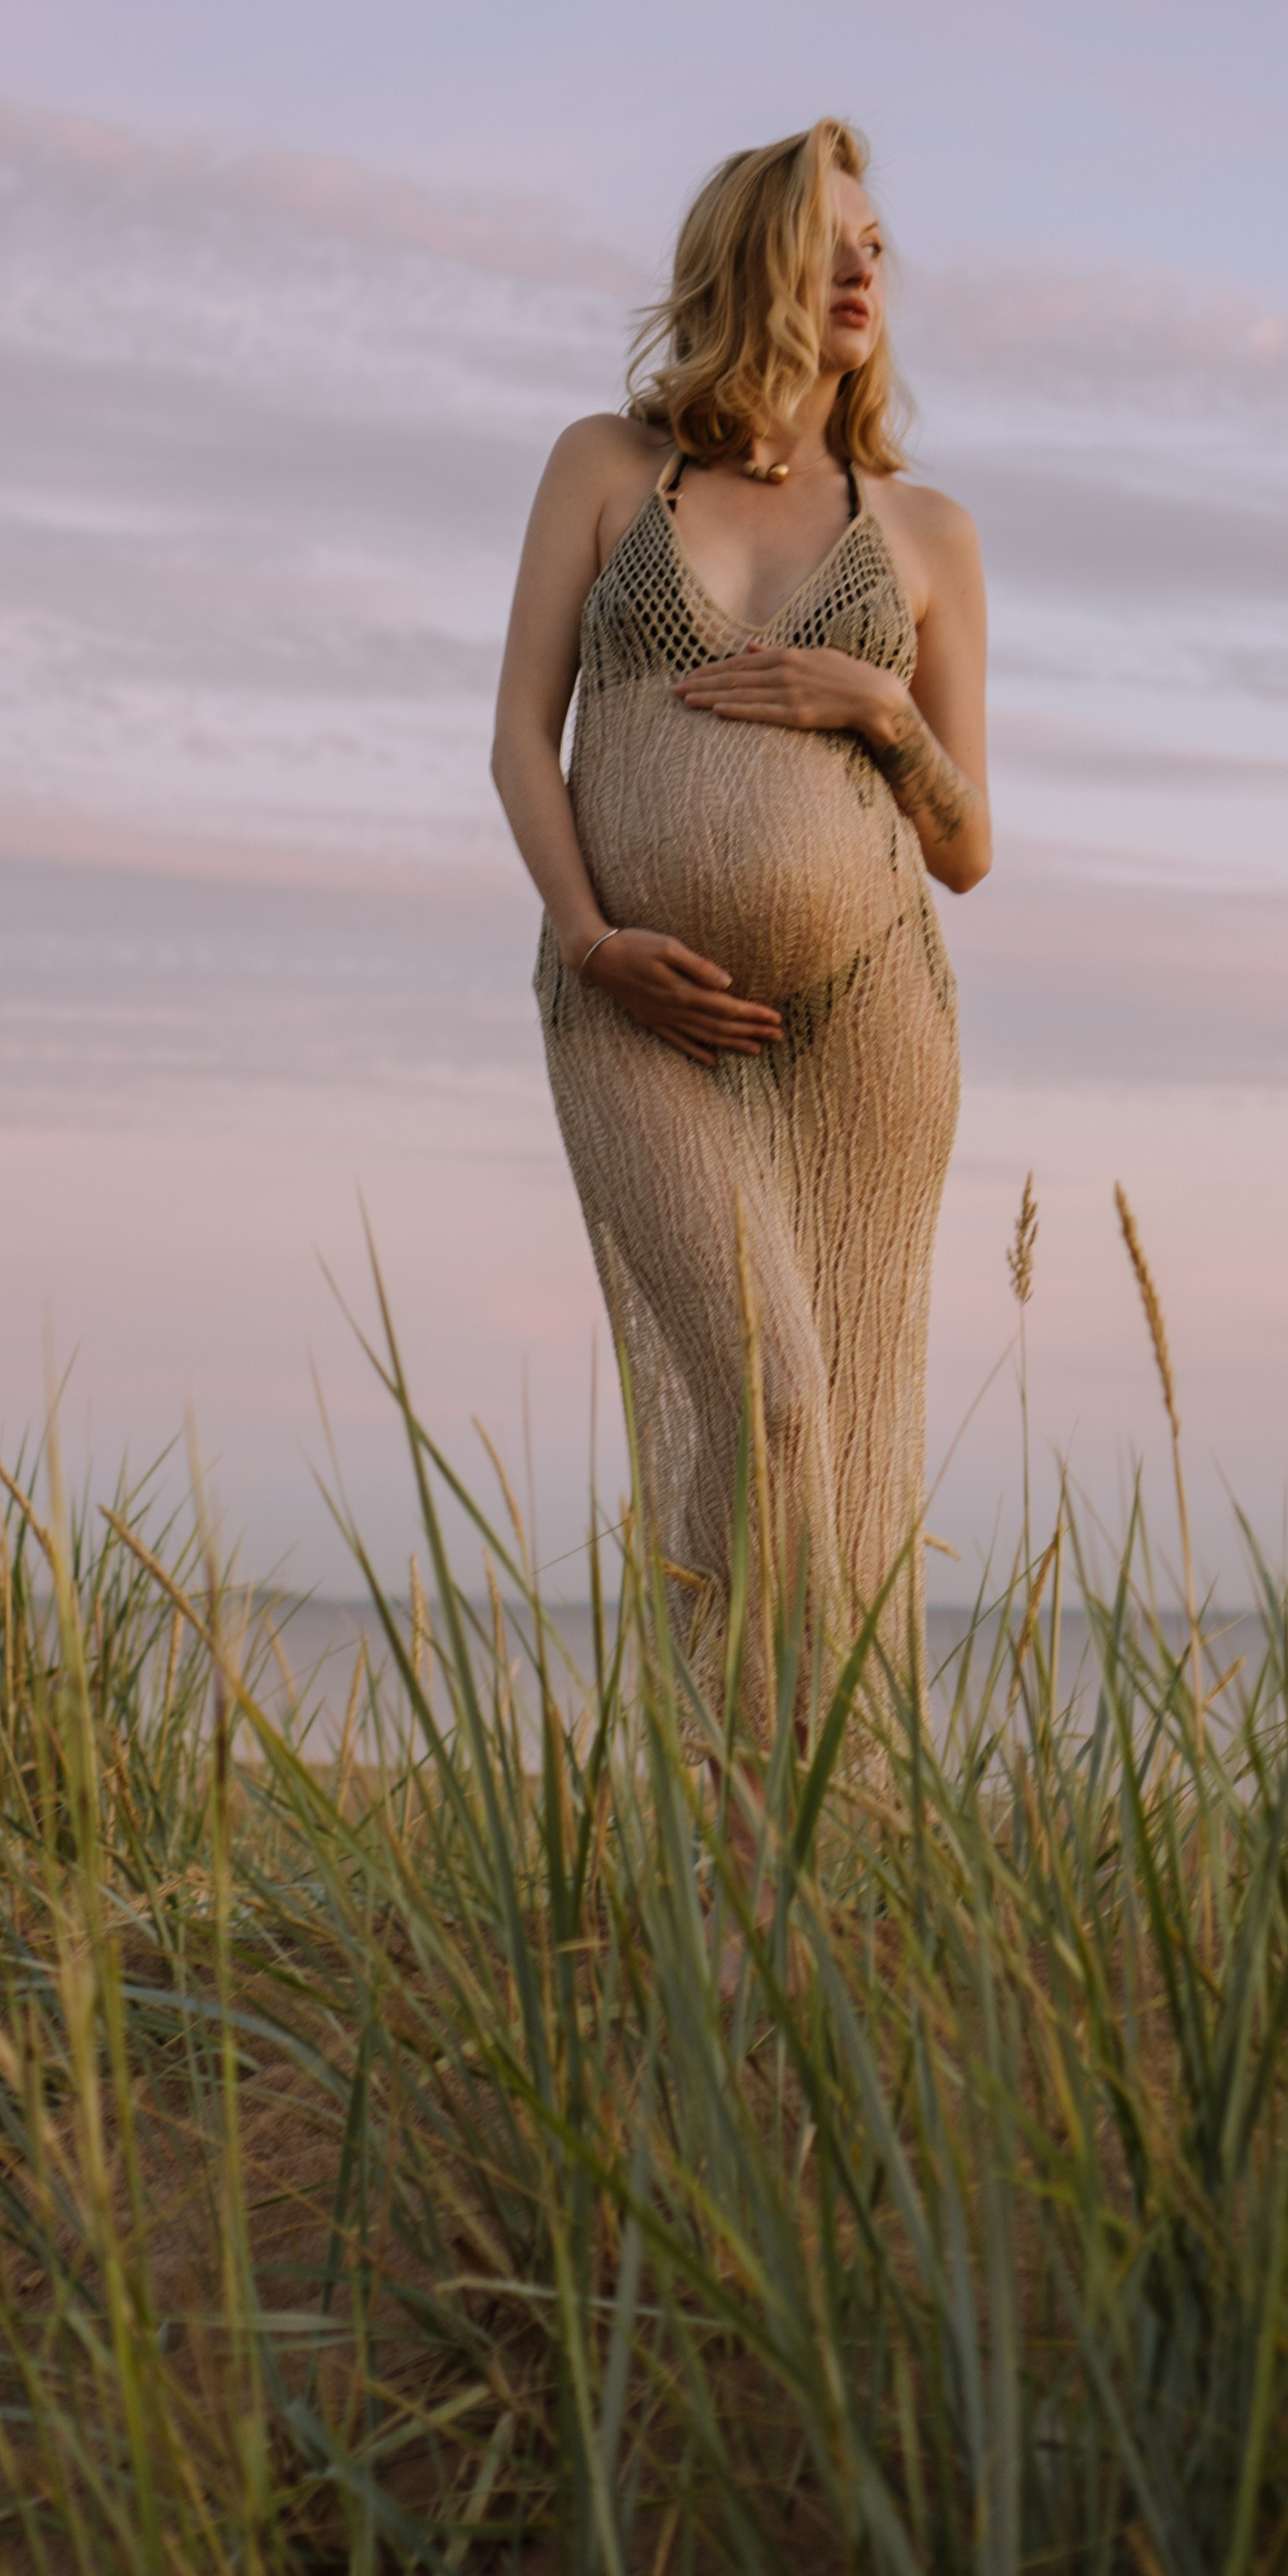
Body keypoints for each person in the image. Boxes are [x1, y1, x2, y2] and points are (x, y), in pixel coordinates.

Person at [491, 119, 990, 1777]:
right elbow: (518, 737)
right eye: (824, 239)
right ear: (744, 262)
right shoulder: (604, 468)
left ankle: (802, 1814)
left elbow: (966, 847)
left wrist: (881, 711)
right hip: (629, 1001)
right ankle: (738, 1788)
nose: (862, 269)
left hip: (864, 1015)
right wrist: (589, 938)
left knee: (838, 1441)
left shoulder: (925, 533)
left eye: (876, 244)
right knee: (767, 1400)